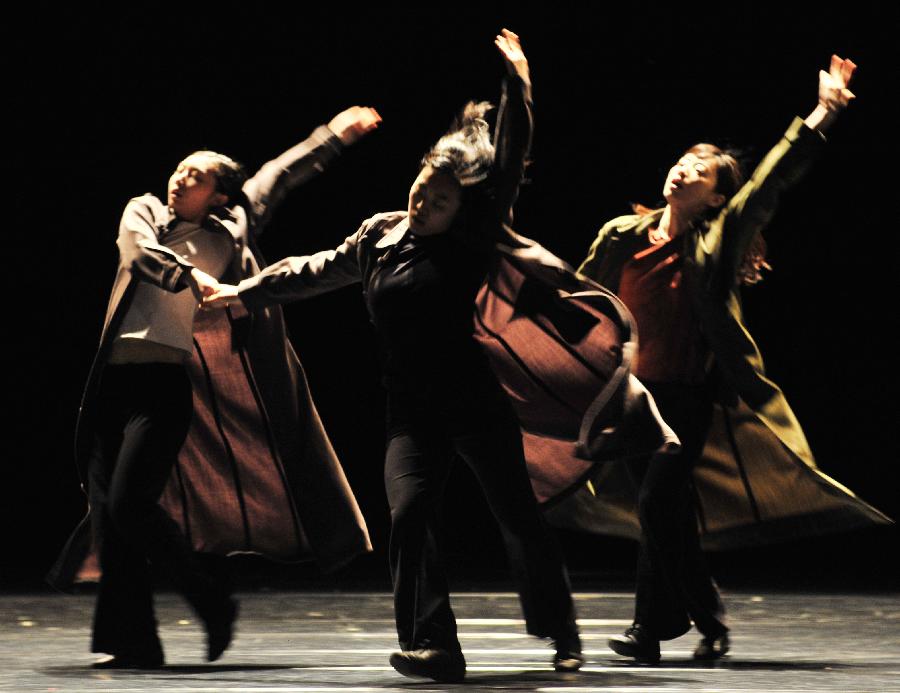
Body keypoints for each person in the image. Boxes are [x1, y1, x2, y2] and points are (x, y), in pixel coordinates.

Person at [203, 30, 602, 682]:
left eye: (440, 200)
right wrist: (243, 292)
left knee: (518, 518)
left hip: (474, 401)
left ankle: (560, 627)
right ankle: (434, 645)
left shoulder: (472, 236)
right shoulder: (378, 235)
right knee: (411, 514)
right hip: (410, 410)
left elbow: (509, 159)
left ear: (461, 208)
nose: (424, 202)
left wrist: (517, 85)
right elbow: (310, 269)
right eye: (422, 189)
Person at [49, 106, 381, 668]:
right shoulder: (145, 211)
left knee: (131, 503)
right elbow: (137, 252)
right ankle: (134, 643)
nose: (180, 177)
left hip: (165, 386)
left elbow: (280, 173)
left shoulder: (232, 227)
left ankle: (210, 599)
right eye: (180, 168)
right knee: (112, 515)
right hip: (112, 383)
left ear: (222, 196)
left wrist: (332, 137)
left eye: (196, 175)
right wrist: (190, 275)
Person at [576, 55, 882, 662]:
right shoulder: (621, 235)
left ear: (717, 196)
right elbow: (579, 300)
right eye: (682, 162)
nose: (683, 172)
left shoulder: (716, 241)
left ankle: (654, 627)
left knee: (658, 501)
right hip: (632, 396)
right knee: (660, 513)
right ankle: (699, 620)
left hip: (686, 396)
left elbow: (769, 180)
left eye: (699, 172)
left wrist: (822, 112)